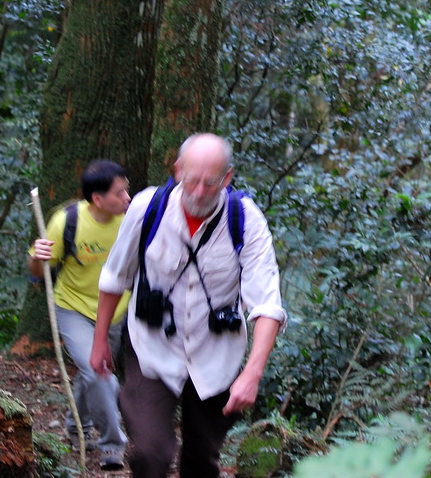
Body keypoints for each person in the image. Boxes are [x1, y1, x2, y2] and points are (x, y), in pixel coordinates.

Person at [90, 133, 286, 478]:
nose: (198, 192)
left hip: (216, 358)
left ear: (227, 178)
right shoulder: (147, 209)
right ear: (178, 169)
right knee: (151, 454)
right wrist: (100, 338)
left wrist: (252, 374)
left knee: (201, 461)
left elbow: (267, 305)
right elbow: (114, 278)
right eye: (191, 180)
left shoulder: (247, 221)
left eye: (210, 184)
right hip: (151, 348)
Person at [28, 159, 131, 471]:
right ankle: (112, 444)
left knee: (92, 374)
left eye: (128, 190)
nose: (127, 198)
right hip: (74, 309)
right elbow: (37, 272)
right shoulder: (67, 221)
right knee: (99, 373)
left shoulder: (132, 219)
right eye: (119, 193)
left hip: (115, 313)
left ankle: (76, 425)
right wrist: (38, 257)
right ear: (97, 199)